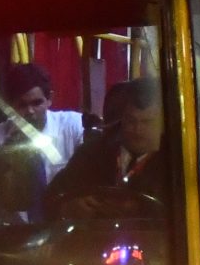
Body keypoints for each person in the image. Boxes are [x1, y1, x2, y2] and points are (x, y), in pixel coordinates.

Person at [0, 62, 86, 223]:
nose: (30, 111)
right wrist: (1, 157)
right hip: (14, 232)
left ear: (50, 99)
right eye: (22, 105)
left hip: (66, 225)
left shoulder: (73, 126)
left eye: (37, 103)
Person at [44, 79, 172, 222]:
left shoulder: (175, 163)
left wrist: (140, 211)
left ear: (163, 124)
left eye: (147, 122)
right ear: (121, 119)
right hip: (92, 240)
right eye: (131, 121)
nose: (137, 129)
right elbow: (49, 199)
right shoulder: (92, 154)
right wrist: (68, 208)